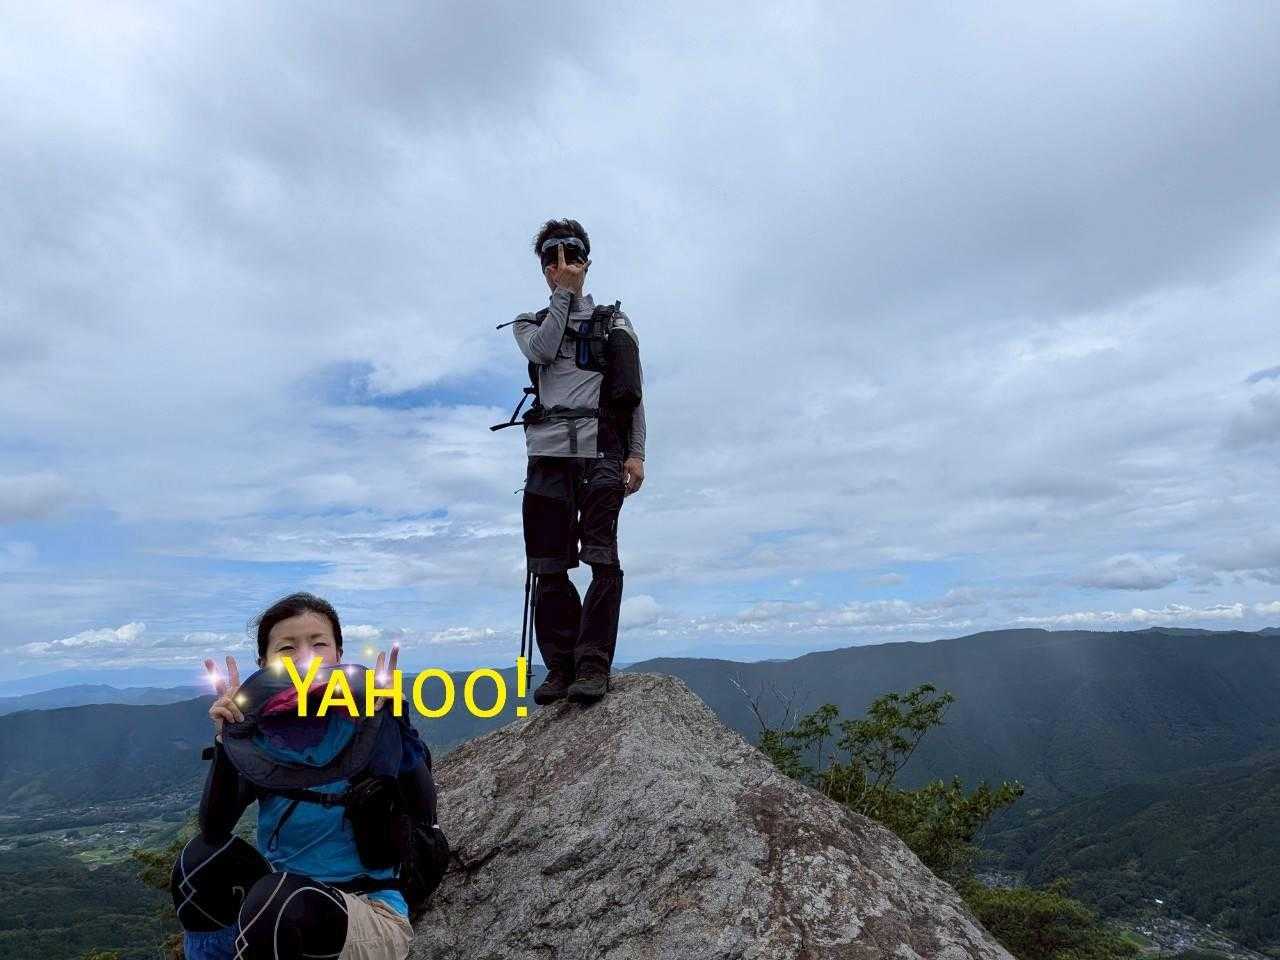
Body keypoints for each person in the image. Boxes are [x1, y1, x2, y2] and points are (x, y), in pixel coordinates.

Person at [170, 592, 437, 960]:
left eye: (318, 644)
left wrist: (394, 722)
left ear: (338, 655)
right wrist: (228, 739)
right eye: (287, 648)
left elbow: (423, 812)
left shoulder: (369, 721)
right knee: (200, 863)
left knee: (276, 904)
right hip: (278, 899)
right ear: (264, 663)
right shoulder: (263, 737)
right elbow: (214, 828)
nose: (304, 657)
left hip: (365, 906)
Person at [508, 219, 647, 706]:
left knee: (602, 557)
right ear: (543, 270)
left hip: (602, 449)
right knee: (547, 565)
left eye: (570, 255)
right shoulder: (528, 324)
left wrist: (637, 452)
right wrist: (564, 297)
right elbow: (544, 350)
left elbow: (631, 392)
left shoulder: (614, 322)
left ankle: (593, 664)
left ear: (587, 261)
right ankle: (561, 666)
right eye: (551, 258)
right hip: (549, 454)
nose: (560, 264)